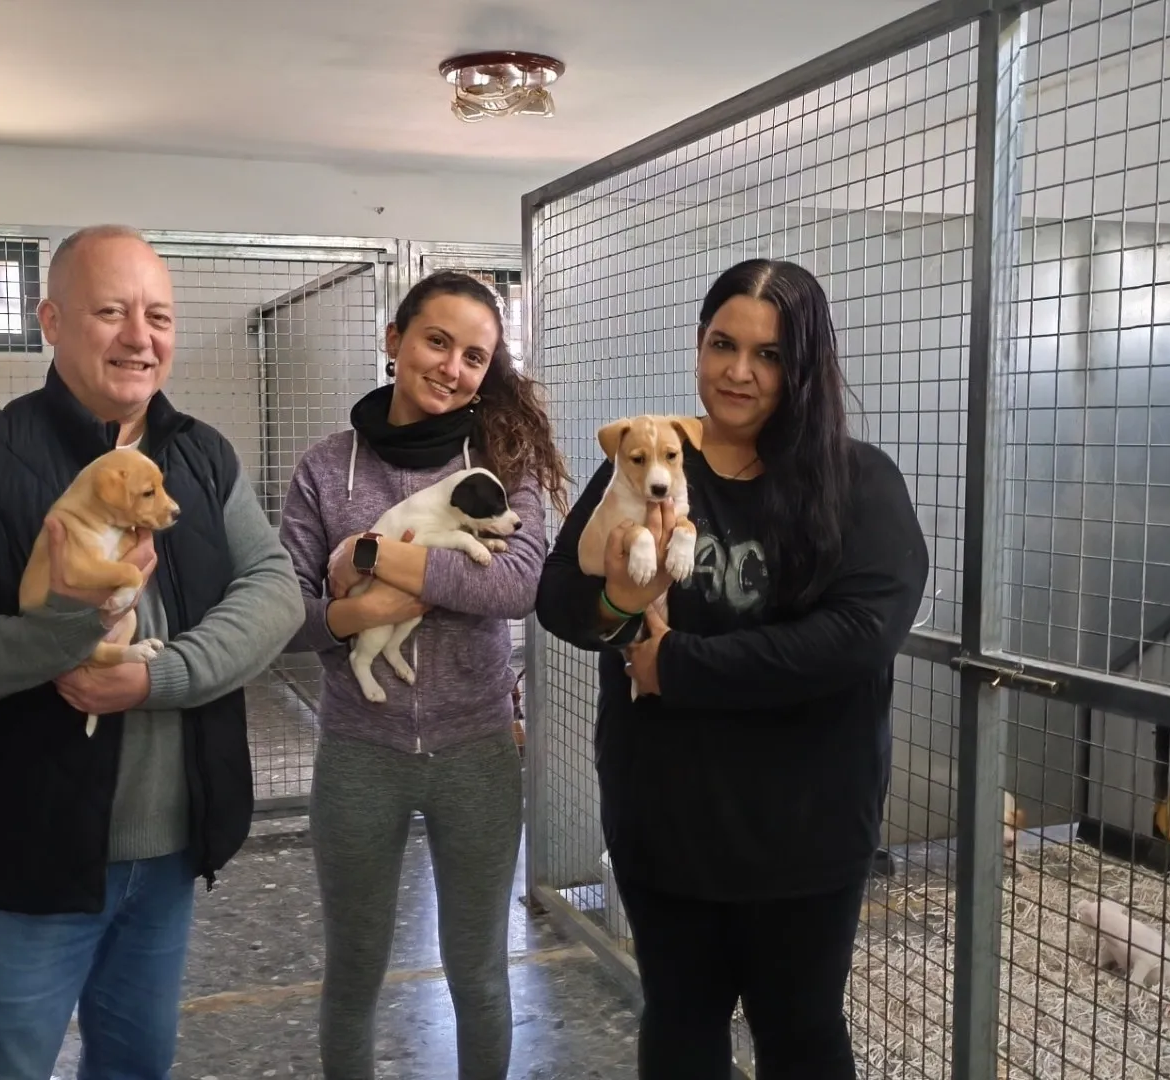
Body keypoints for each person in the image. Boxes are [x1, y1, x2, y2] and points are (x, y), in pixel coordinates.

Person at [0, 224, 302, 1080]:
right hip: (28, 855)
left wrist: (157, 677)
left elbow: (276, 589)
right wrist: (66, 630)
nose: (140, 337)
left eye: (159, 317)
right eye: (111, 311)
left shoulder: (200, 456)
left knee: (136, 1065)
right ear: (51, 321)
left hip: (170, 851)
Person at [534, 258, 928, 1079]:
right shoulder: (652, 463)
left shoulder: (859, 483)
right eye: (722, 344)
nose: (739, 371)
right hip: (666, 818)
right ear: (699, 344)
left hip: (806, 827)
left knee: (801, 1032)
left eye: (769, 354)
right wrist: (617, 600)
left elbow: (856, 636)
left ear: (805, 365)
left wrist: (678, 665)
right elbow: (563, 601)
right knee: (681, 1024)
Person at [277, 271, 570, 1079]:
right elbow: (288, 614)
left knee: (479, 973)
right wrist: (358, 615)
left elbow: (517, 587)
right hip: (359, 753)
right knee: (354, 974)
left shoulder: (504, 463)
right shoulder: (326, 468)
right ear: (394, 339)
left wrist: (374, 557)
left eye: (474, 356)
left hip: (477, 751)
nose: (452, 367)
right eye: (437, 341)